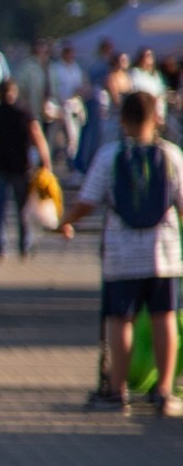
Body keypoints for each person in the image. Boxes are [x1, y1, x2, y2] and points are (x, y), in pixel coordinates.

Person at [69, 90, 183, 414]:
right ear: (156, 118)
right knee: (165, 317)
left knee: (121, 319)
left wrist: (64, 222)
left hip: (121, 255)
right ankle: (164, 391)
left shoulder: (110, 156)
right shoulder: (172, 155)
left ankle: (117, 391)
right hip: (164, 254)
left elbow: (87, 201)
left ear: (123, 120)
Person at [0, 78, 51, 260]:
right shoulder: (24, 113)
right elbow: (37, 135)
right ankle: (23, 245)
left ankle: (0, 246)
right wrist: (46, 161)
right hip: (21, 168)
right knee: (22, 209)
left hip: (0, 167)